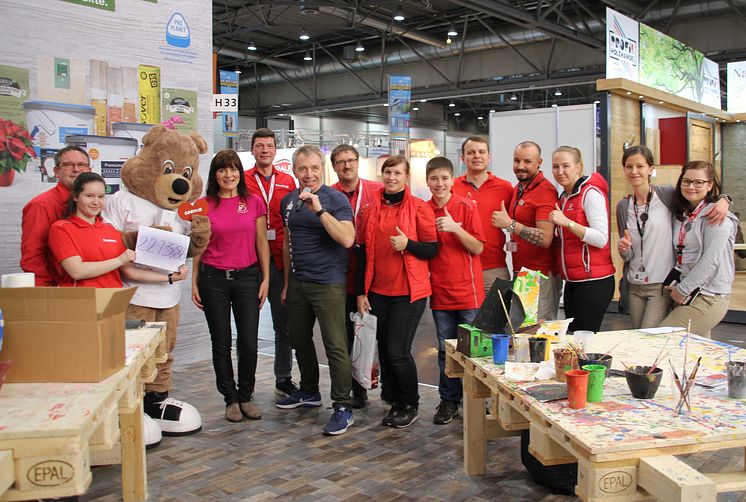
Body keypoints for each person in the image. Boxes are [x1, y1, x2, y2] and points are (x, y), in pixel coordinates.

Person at [277, 144, 356, 436]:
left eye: (313, 168)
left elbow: (347, 239)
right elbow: (288, 242)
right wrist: (287, 282)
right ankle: (309, 390)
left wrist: (319, 209)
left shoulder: (334, 199)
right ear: (295, 171)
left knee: (335, 346)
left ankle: (343, 406)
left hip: (328, 283)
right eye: (302, 169)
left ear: (321, 169)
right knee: (298, 338)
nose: (308, 174)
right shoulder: (288, 201)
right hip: (298, 282)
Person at [357, 155, 437, 429]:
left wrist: (408, 244)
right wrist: (362, 291)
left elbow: (432, 248)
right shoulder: (371, 208)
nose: (391, 178)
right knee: (384, 348)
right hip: (378, 291)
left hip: (409, 292)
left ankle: (410, 403)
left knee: (398, 350)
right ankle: (393, 399)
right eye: (387, 172)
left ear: (406, 177)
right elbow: (363, 251)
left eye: (397, 173)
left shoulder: (418, 207)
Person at [192, 150, 270, 423]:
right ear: (215, 174)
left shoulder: (255, 203)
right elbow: (198, 246)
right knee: (221, 342)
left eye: (233, 169)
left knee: (248, 342)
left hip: (248, 278)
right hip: (213, 280)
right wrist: (194, 281)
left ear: (240, 172)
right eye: (222, 170)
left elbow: (262, 242)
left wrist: (266, 278)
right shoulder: (204, 205)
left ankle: (246, 396)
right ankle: (230, 399)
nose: (229, 175)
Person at [616, 146, 730, 329]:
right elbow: (628, 254)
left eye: (640, 166)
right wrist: (624, 250)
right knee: (640, 336)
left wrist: (724, 199)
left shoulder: (667, 195)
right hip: (635, 284)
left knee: (654, 337)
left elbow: (704, 198)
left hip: (665, 283)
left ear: (651, 169)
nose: (634, 171)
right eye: (629, 166)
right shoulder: (623, 205)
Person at [49, 172, 188, 288]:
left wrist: (170, 277)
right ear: (75, 196)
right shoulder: (62, 229)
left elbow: (130, 272)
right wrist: (119, 260)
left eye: (101, 197)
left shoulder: (109, 230)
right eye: (89, 196)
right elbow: (77, 271)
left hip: (114, 301)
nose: (96, 202)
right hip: (81, 301)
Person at [425, 157, 484, 425]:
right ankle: (449, 400)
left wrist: (455, 228)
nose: (439, 184)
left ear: (453, 179)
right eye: (434, 178)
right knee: (444, 351)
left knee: (471, 350)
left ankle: (477, 399)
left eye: (444, 178)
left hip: (468, 293)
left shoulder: (466, 206)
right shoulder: (422, 209)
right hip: (439, 293)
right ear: (427, 181)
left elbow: (478, 248)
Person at [243, 128, 298, 398]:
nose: (264, 150)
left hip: (279, 260)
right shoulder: (241, 181)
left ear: (275, 150)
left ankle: (283, 378)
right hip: (248, 260)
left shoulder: (288, 180)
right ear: (252, 150)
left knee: (282, 327)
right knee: (247, 327)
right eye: (259, 146)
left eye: (269, 146)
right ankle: (246, 383)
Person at [330, 144, 383, 409]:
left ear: (358, 162)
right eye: (341, 162)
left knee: (379, 334)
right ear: (334, 167)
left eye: (351, 160)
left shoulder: (376, 190)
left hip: (374, 275)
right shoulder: (328, 195)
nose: (347, 166)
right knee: (349, 337)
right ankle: (356, 388)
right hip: (341, 275)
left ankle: (386, 386)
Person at [659, 161, 738, 337]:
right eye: (686, 181)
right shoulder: (685, 213)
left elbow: (710, 260)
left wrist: (683, 289)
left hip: (708, 296)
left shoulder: (717, 217)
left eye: (698, 182)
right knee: (696, 354)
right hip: (690, 292)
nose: (691, 187)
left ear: (710, 185)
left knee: (663, 338)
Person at [490, 141, 561, 320]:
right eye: (516, 160)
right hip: (522, 271)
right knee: (523, 331)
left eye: (527, 162)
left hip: (539, 275)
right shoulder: (520, 188)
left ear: (539, 162)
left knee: (539, 334)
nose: (520, 166)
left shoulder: (545, 191)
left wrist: (511, 224)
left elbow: (545, 238)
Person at [548, 146, 615, 333]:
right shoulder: (564, 197)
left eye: (565, 166)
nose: (560, 172)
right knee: (573, 339)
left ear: (578, 167)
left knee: (584, 340)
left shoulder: (590, 193)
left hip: (595, 281)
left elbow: (601, 238)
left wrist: (568, 223)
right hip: (573, 281)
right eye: (555, 167)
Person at [21, 146, 91, 285]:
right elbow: (33, 255)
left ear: (89, 170)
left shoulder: (93, 204)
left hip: (87, 287)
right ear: (56, 171)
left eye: (81, 165)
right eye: (68, 165)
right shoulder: (41, 205)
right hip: (57, 291)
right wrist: (46, 293)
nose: (76, 169)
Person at [452, 136, 513, 291]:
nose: (477, 156)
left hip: (494, 268)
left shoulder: (505, 188)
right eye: (471, 152)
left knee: (495, 315)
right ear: (462, 158)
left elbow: (515, 225)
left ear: (489, 157)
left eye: (481, 152)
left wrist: (509, 226)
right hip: (459, 267)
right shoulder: (452, 188)